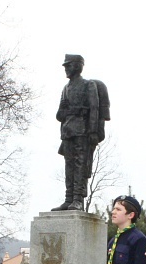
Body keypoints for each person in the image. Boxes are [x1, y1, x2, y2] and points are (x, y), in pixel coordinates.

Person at [51, 54, 106, 211]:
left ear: (77, 66)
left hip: (82, 130)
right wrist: (65, 111)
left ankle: (77, 199)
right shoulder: (66, 88)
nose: (66, 69)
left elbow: (94, 109)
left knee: (80, 165)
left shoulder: (88, 85)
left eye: (68, 66)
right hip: (68, 131)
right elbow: (59, 114)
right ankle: (69, 198)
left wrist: (94, 131)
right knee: (69, 166)